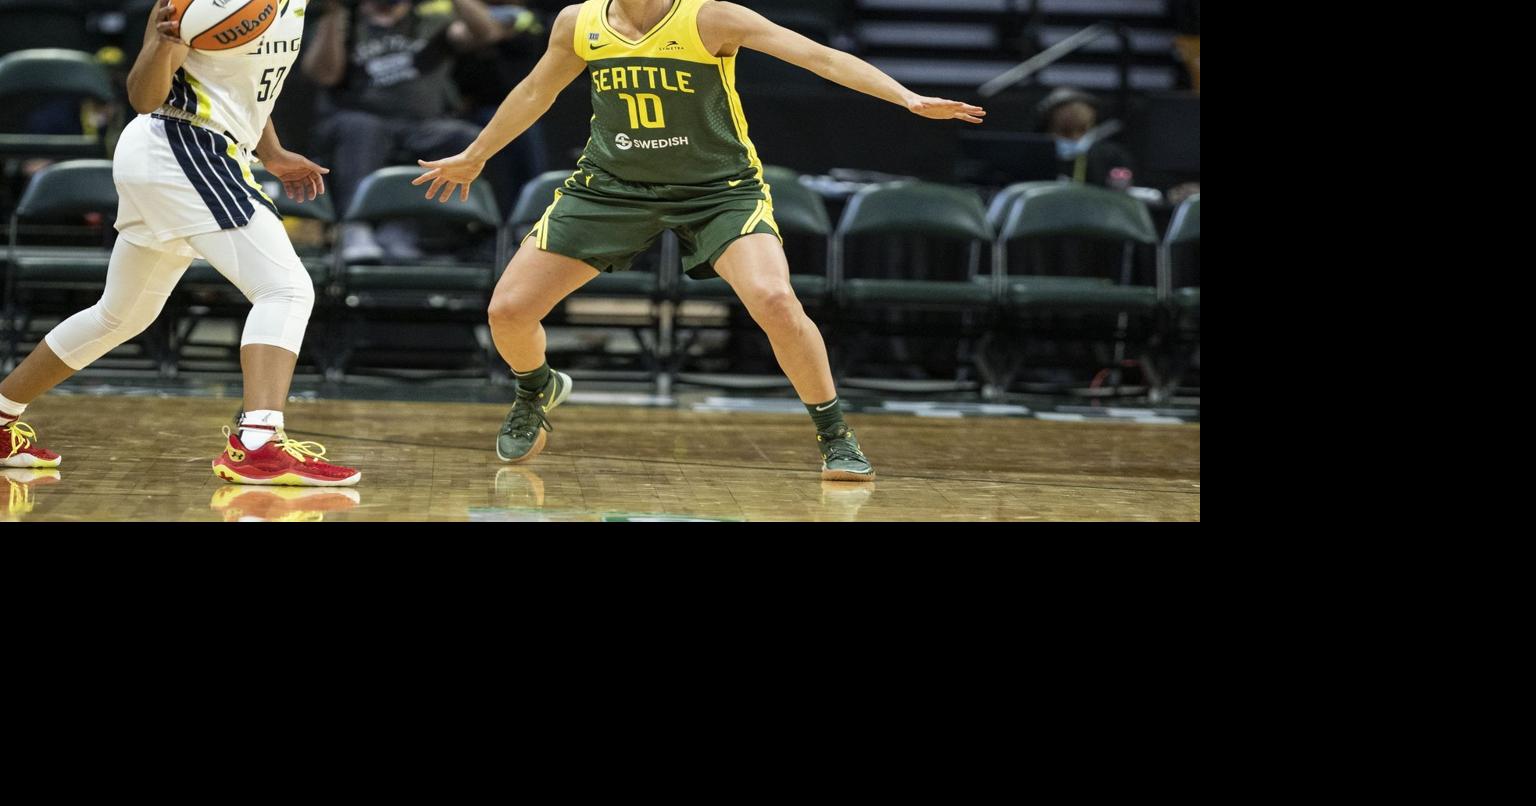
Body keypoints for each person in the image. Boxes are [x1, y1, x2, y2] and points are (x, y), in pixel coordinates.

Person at [412, 0, 985, 481]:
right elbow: (536, 91)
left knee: (776, 301)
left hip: (719, 190)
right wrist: (475, 155)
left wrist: (906, 97)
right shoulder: (577, 22)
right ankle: (535, 391)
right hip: (612, 188)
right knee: (508, 311)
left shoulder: (711, 18)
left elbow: (820, 56)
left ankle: (835, 435)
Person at [0, 0, 361, 487]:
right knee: (286, 289)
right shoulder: (191, 5)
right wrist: (160, 47)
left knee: (121, 315)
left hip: (196, 151)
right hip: (182, 144)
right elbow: (144, 96)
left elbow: (251, 87)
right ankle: (256, 444)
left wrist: (270, 151)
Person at [302, 0, 502, 262]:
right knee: (362, 129)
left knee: (463, 137)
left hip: (420, 126)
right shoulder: (346, 21)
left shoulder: (432, 22)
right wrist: (333, 15)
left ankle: (421, 232)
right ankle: (354, 226)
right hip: (360, 121)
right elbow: (324, 76)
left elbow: (487, 33)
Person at [1038, 87, 1136, 188]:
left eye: (1082, 130)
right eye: (1065, 131)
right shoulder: (1034, 159)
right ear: (1047, 127)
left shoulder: (1113, 158)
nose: (1075, 137)